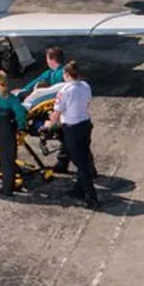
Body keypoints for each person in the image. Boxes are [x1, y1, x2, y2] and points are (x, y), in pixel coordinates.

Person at [45, 61, 98, 209]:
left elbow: (57, 112)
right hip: (85, 124)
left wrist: (48, 125)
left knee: (80, 162)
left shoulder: (65, 91)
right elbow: (87, 104)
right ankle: (79, 189)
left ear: (67, 75)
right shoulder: (85, 86)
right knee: (84, 155)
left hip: (72, 128)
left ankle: (91, 197)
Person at [18, 47, 71, 173]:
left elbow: (34, 83)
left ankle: (67, 165)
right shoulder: (61, 74)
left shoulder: (55, 75)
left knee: (67, 138)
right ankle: (63, 164)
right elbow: (36, 82)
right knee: (67, 139)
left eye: (47, 58)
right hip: (61, 111)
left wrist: (21, 92)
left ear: (51, 60)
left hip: (59, 112)